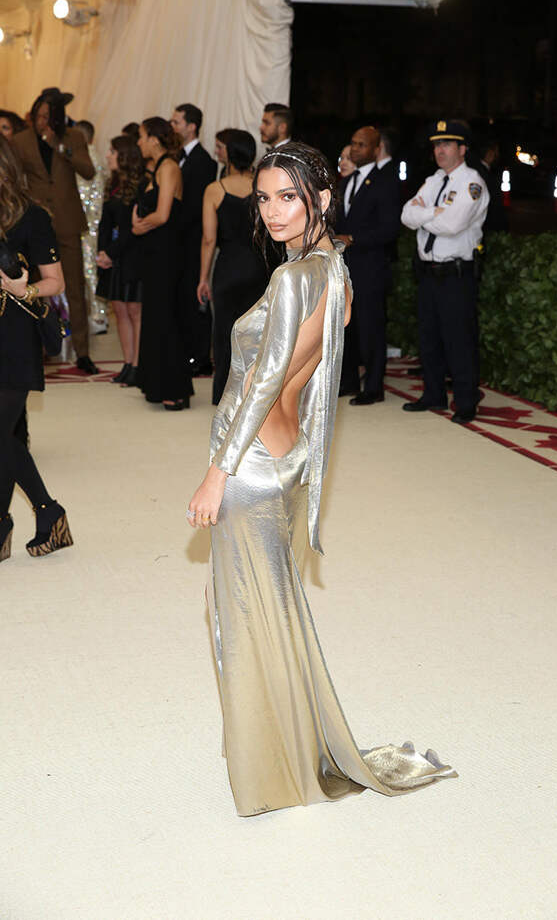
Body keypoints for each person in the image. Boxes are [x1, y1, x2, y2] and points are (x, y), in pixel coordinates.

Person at [186, 142, 456, 817]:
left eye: (289, 196)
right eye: (264, 198)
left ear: (322, 198)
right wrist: (299, 457)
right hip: (284, 461)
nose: (273, 211)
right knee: (271, 610)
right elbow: (311, 381)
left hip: (250, 464)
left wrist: (216, 474)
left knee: (244, 618)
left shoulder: (291, 280)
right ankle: (293, 746)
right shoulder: (335, 270)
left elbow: (262, 382)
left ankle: (275, 769)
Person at [0, 137, 73, 561]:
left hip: (15, 337)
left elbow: (55, 281)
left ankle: (40, 513)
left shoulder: (32, 216)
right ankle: (41, 515)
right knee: (5, 436)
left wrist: (22, 288)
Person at [401, 120, 489, 424]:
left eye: (447, 144)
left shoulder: (472, 183)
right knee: (429, 337)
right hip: (428, 272)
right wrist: (434, 213)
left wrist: (424, 215)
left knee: (459, 340)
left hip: (455, 274)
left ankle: (465, 402)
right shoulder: (434, 180)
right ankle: (433, 394)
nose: (440, 150)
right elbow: (406, 215)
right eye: (437, 145)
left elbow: (453, 225)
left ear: (463, 149)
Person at [11, 88, 98, 374]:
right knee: (33, 286)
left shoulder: (73, 138)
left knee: (74, 287)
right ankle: (37, 349)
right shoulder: (21, 141)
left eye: (48, 117)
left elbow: (89, 171)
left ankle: (82, 352)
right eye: (39, 116)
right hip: (34, 223)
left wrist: (61, 148)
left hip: (68, 221)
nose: (42, 122)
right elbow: (13, 176)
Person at [196, 129, 268, 405]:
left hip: (228, 268)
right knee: (257, 333)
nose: (217, 151)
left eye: (220, 147)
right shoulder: (263, 186)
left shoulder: (215, 190)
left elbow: (208, 240)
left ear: (229, 153)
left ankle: (225, 396)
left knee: (225, 332)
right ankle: (255, 395)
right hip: (259, 266)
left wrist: (203, 277)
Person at [335, 125, 401, 405]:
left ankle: (373, 386)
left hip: (371, 266)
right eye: (352, 143)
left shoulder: (386, 182)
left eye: (361, 144)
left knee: (371, 328)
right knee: (347, 325)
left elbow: (390, 229)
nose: (354, 149)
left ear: (376, 150)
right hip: (345, 267)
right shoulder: (346, 181)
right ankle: (349, 381)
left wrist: (353, 238)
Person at [133, 117, 193, 410]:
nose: (138, 142)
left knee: (166, 317)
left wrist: (139, 226)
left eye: (141, 136)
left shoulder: (168, 167)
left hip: (167, 253)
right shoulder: (155, 168)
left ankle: (175, 389)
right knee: (157, 317)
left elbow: (163, 214)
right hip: (155, 252)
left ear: (154, 140)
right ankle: (156, 384)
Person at [170, 103, 217, 376]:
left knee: (196, 295)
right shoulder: (177, 156)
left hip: (193, 238)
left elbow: (195, 207)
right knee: (183, 296)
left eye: (176, 122)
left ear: (191, 126)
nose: (172, 127)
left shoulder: (203, 161)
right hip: (179, 239)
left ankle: (200, 356)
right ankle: (188, 351)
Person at [96, 135, 144, 384]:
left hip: (133, 254)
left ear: (125, 156)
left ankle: (137, 365)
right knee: (119, 309)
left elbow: (133, 228)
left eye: (112, 152)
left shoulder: (140, 184)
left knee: (134, 310)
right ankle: (127, 363)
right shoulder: (112, 183)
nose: (108, 156)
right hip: (114, 255)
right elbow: (105, 224)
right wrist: (102, 253)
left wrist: (111, 252)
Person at [75, 120, 107, 333]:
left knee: (89, 269)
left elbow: (83, 196)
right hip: (95, 222)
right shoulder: (95, 156)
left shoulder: (86, 158)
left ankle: (98, 315)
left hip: (88, 224)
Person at [477, 137, 508, 234]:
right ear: (490, 153)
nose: (497, 155)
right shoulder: (483, 174)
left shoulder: (485, 171)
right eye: (496, 152)